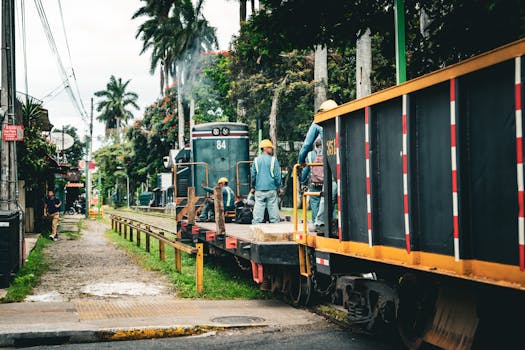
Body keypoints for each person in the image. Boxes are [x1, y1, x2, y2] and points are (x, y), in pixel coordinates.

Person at [297, 100, 338, 234]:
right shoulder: (341, 119)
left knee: (327, 193)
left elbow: (306, 145)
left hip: (330, 162)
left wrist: (300, 161)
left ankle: (320, 223)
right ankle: (331, 222)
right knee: (334, 192)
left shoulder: (318, 122)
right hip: (342, 161)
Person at [251, 139, 282, 224]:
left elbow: (253, 175)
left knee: (258, 207)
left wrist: (253, 187)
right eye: (270, 148)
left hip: (259, 189)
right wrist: (279, 187)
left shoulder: (256, 160)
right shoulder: (273, 160)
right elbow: (277, 175)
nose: (271, 150)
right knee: (273, 207)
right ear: (265, 148)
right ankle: (275, 226)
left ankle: (256, 226)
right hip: (271, 188)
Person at [300, 137, 323, 222]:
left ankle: (316, 223)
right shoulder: (328, 152)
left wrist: (303, 182)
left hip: (314, 183)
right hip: (326, 183)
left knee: (315, 203)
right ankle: (328, 224)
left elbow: (305, 170)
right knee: (328, 202)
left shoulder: (310, 155)